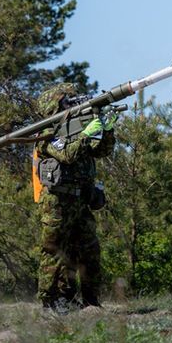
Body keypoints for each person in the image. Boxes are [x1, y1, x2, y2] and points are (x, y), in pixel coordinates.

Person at [34, 83, 116, 311]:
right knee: (55, 252)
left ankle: (90, 300)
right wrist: (86, 133)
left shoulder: (76, 129)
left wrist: (106, 130)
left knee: (89, 250)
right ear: (53, 108)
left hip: (81, 201)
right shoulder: (47, 136)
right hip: (57, 205)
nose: (71, 106)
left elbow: (101, 151)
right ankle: (50, 300)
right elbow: (67, 155)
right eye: (66, 103)